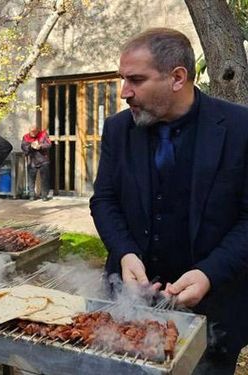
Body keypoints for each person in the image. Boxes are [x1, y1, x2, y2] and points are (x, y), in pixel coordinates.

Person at [89, 28, 248, 374]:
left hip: (215, 309)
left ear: (177, 78)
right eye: (122, 79)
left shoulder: (240, 128)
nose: (123, 92)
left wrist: (209, 273)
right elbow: (104, 200)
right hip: (127, 305)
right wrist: (125, 252)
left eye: (135, 80)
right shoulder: (118, 129)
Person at [21, 125, 52, 201]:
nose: (33, 133)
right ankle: (32, 195)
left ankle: (44, 195)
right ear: (29, 131)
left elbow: (49, 144)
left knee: (45, 179)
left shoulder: (43, 135)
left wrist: (40, 146)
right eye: (32, 131)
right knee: (31, 179)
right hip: (32, 161)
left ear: (38, 130)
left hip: (43, 160)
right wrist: (31, 146)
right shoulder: (26, 137)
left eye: (35, 131)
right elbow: (23, 147)